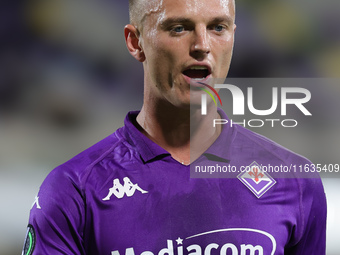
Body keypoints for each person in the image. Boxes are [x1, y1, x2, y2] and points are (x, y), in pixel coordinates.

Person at [22, 0, 327, 254]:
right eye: (179, 28)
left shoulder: (295, 183)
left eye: (218, 27)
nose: (201, 45)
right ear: (135, 41)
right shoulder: (73, 190)